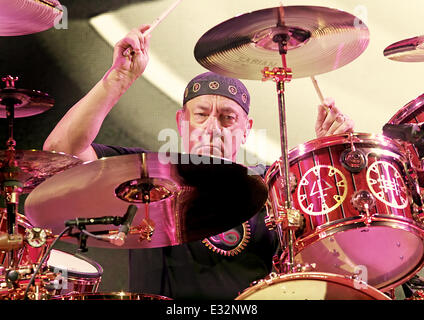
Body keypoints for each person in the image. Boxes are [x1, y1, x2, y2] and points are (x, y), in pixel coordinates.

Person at [43, 25, 355, 300]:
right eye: (201, 115)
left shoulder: (273, 186)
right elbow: (61, 150)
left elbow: (336, 256)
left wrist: (327, 152)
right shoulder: (146, 174)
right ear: (181, 123)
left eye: (227, 118)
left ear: (246, 129)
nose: (213, 127)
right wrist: (118, 79)